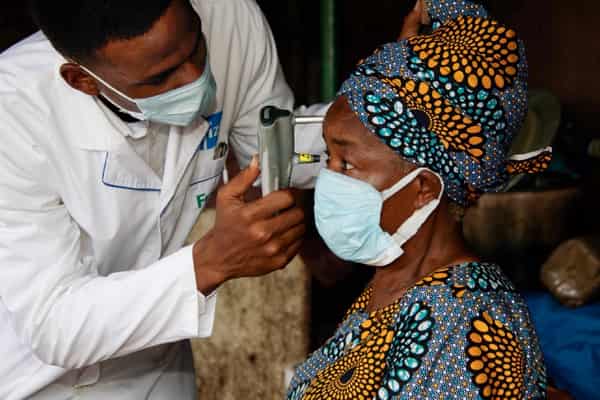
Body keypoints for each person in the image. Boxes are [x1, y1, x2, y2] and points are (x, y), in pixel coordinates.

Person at [0, 0, 333, 398]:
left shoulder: (228, 16)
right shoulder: (14, 111)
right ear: (81, 80)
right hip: (34, 380)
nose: (195, 77)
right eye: (161, 78)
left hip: (158, 367)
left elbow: (274, 147)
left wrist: (375, 117)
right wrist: (209, 262)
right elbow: (55, 325)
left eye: (197, 47)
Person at [286, 0, 551, 399]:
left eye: (347, 163)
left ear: (423, 188)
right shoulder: (391, 286)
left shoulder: (473, 326)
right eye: (327, 157)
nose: (328, 179)